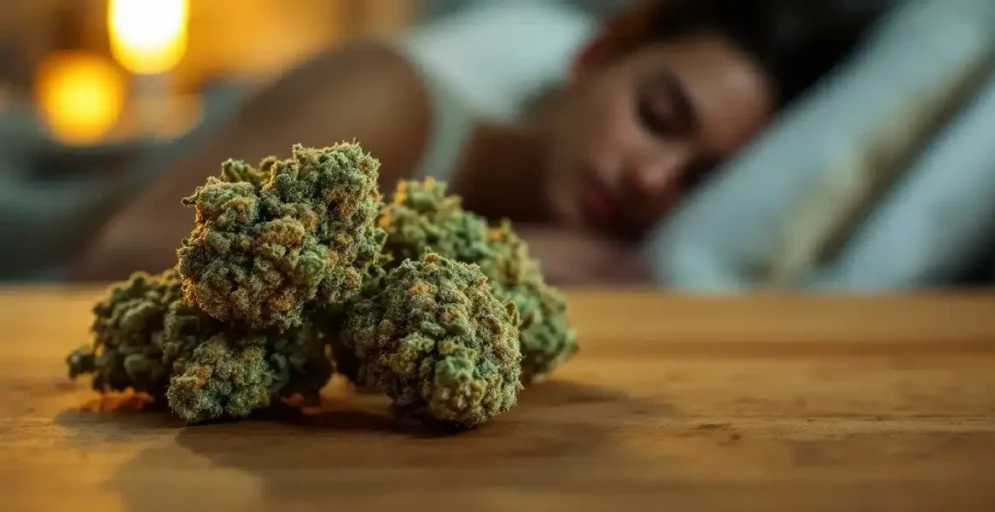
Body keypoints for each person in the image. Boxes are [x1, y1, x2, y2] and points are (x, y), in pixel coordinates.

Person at [72, 0, 894, 284]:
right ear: (596, 57)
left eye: (698, 177)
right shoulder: (390, 99)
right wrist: (455, 259)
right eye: (657, 116)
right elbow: (118, 255)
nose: (654, 180)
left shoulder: (580, 261)